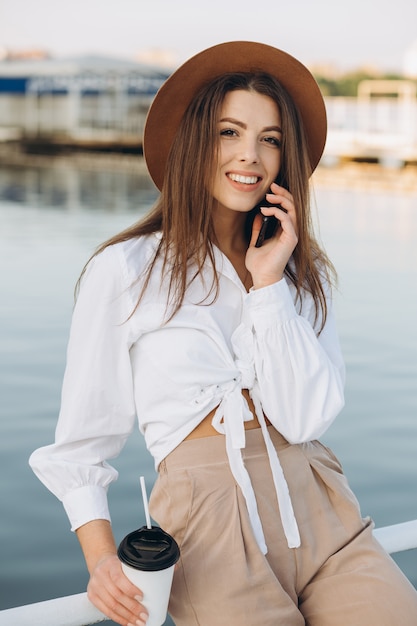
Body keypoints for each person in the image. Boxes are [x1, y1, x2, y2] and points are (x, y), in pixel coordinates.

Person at [29, 41, 417, 626]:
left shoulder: (300, 273)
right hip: (207, 532)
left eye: (271, 138)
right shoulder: (126, 269)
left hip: (322, 508)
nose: (251, 156)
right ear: (195, 141)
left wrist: (268, 289)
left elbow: (309, 418)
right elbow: (82, 442)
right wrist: (102, 557)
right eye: (228, 132)